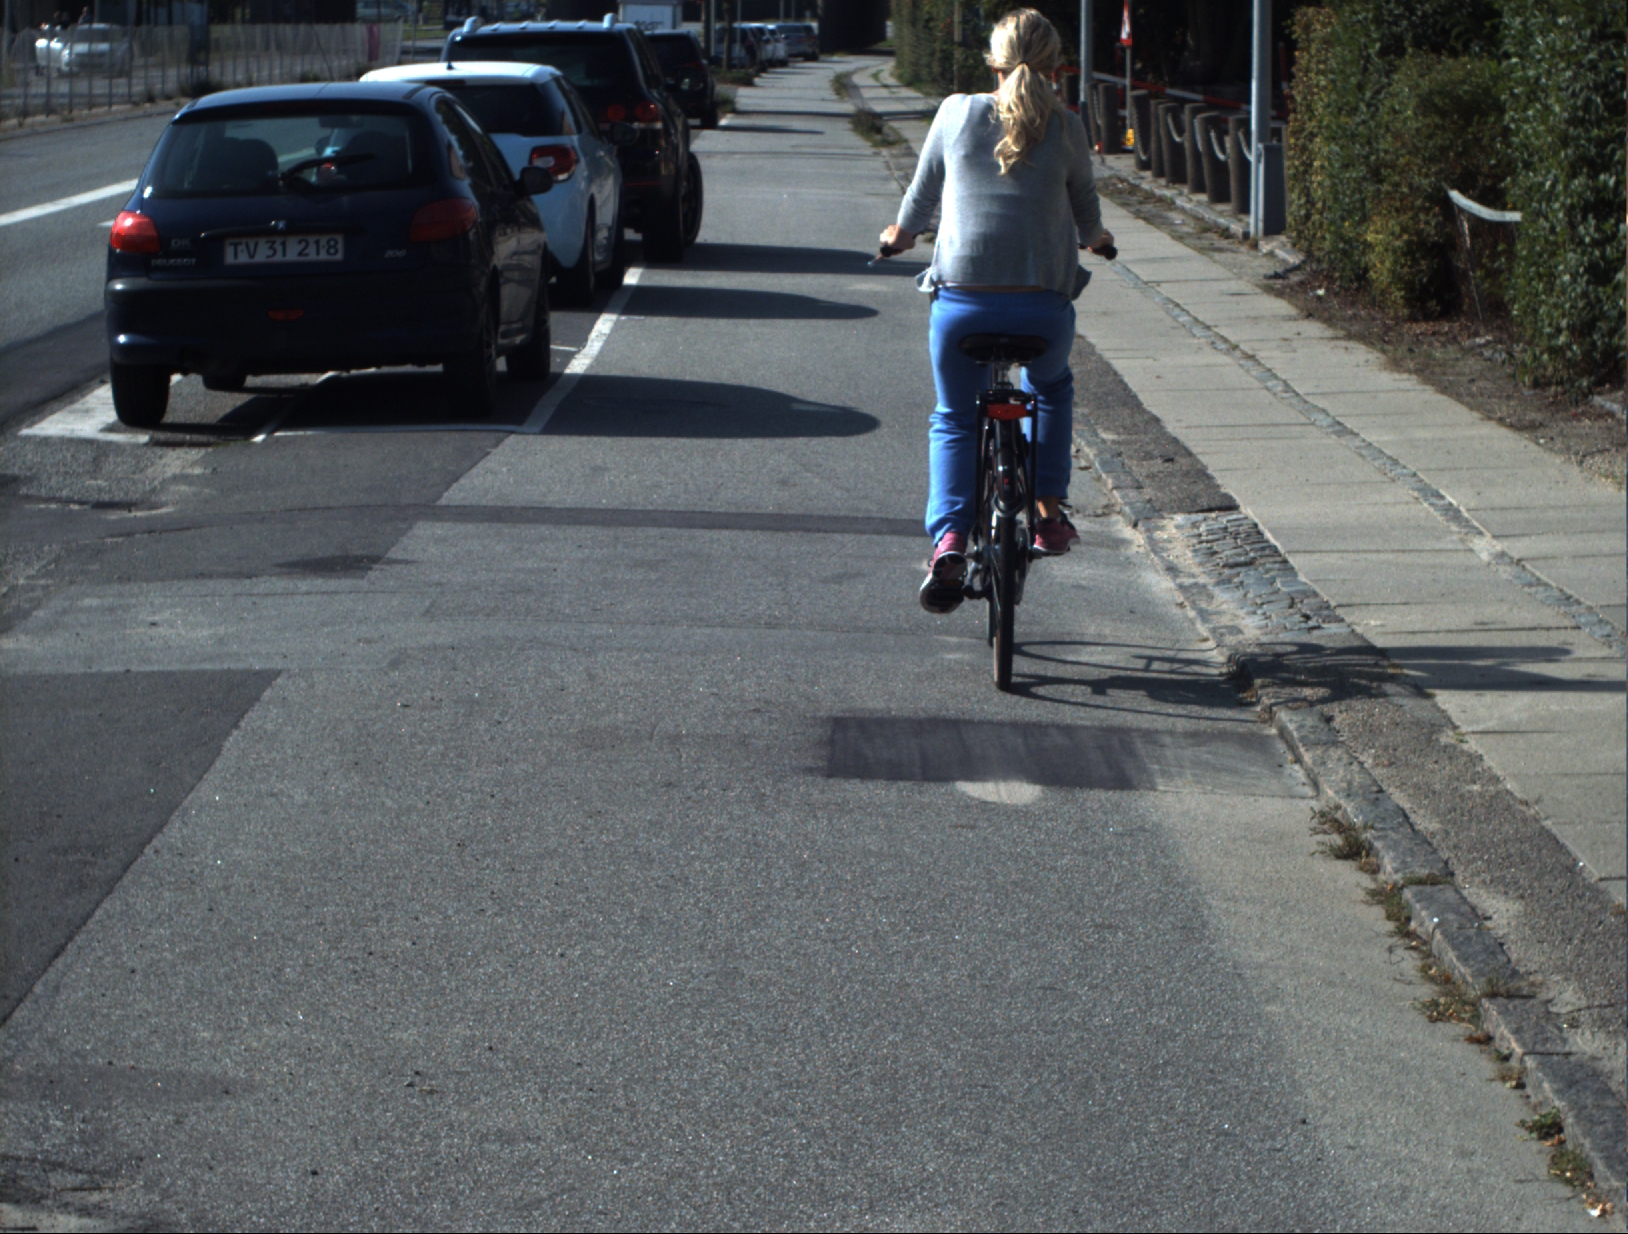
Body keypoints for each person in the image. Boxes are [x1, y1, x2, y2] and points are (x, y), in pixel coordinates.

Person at [881, 7, 1115, 614]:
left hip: (963, 305)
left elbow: (920, 199)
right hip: (1042, 309)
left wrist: (897, 238)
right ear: (1056, 66)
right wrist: (1099, 241)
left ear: (993, 61)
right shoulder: (1066, 125)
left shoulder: (956, 112)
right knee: (1052, 389)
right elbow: (1087, 211)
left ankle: (950, 542)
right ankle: (1048, 515)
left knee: (955, 417)